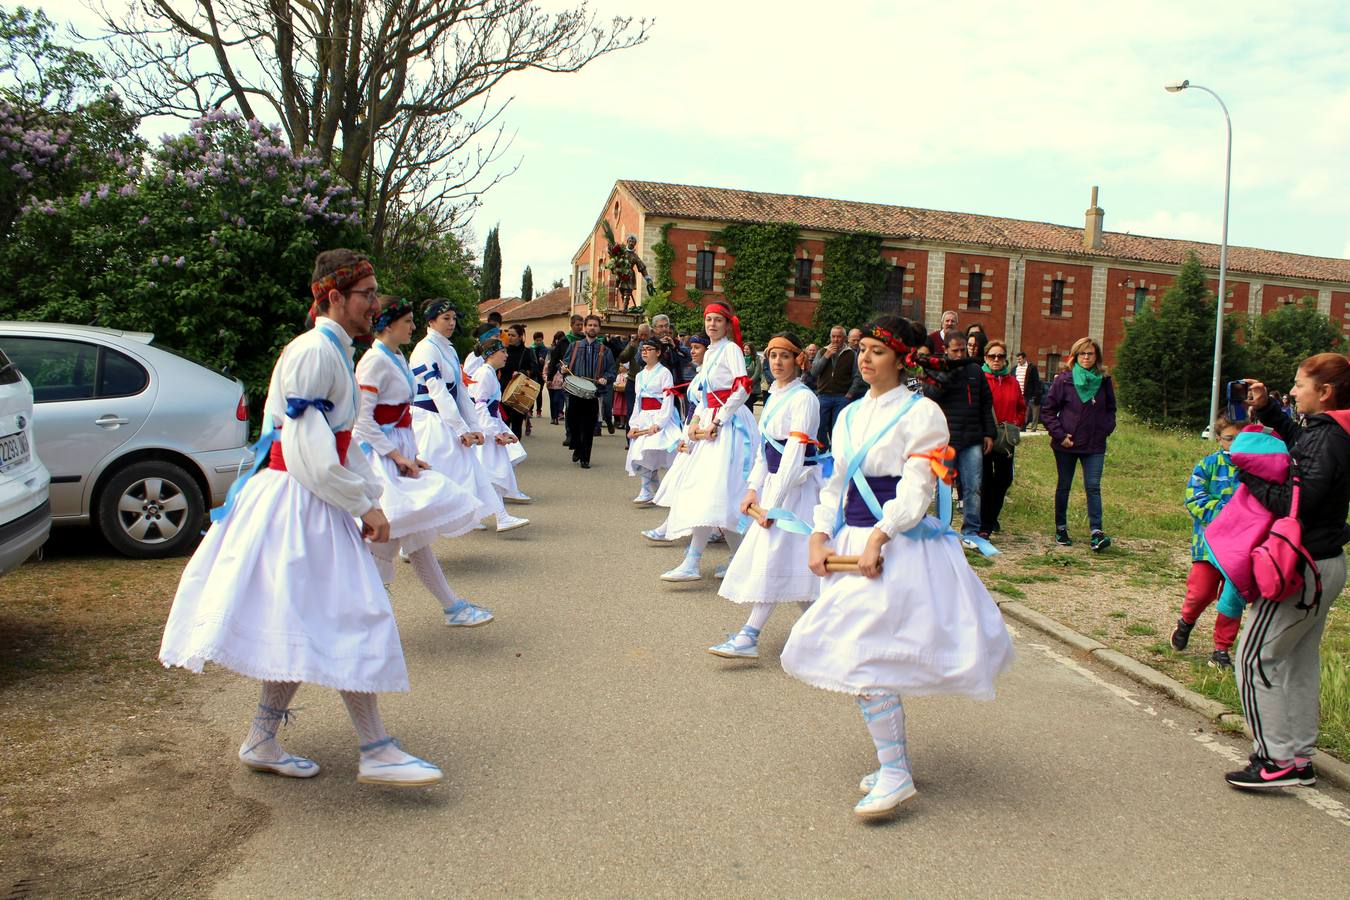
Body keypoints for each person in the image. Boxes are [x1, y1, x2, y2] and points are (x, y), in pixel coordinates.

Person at [159, 249, 443, 787]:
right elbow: (310, 451)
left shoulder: (332, 351)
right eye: (366, 295)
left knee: (309, 620)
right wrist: (363, 503)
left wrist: (370, 490)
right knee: (352, 612)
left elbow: (341, 443)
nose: (375, 305)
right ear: (334, 298)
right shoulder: (315, 352)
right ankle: (375, 747)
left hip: (307, 498)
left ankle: (265, 739)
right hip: (299, 501)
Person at [781, 314, 1014, 819]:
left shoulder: (923, 413)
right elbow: (834, 483)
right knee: (863, 653)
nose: (864, 357)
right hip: (851, 537)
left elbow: (917, 488)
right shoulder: (845, 415)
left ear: (903, 359)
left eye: (876, 351)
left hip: (896, 546)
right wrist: (819, 535)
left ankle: (894, 772)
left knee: (866, 655)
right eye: (861, 348)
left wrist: (881, 537)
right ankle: (893, 763)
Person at [1214, 356, 1350, 790]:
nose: (1291, 392)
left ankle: (1274, 760)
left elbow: (1297, 500)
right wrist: (1269, 410)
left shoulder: (1328, 438)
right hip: (1325, 561)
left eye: (1297, 385)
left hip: (1298, 565)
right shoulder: (1335, 432)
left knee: (1253, 657)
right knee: (1297, 663)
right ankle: (1297, 756)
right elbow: (1306, 453)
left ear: (1324, 392)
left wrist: (1246, 472)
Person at [354, 295, 492, 625]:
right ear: (388, 325)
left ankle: (445, 606)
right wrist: (398, 455)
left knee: (411, 534)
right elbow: (363, 419)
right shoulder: (374, 362)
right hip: (380, 460)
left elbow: (405, 416)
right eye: (407, 321)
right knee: (392, 533)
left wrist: (413, 454)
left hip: (399, 457)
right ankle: (369, 609)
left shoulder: (398, 357)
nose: (414, 326)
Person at [708, 331, 821, 660]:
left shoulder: (804, 399)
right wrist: (754, 489)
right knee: (790, 566)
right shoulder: (773, 395)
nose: (777, 362)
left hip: (797, 493)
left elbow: (794, 455)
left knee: (778, 562)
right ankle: (821, 632)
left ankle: (750, 635)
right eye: (772, 356)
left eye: (784, 356)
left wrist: (775, 505)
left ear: (797, 360)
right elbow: (764, 451)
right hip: (773, 488)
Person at [656, 301, 761, 581]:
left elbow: (742, 388)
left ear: (727, 324)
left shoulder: (731, 349)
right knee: (706, 491)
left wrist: (717, 421)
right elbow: (704, 395)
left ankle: (707, 560)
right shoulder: (712, 351)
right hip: (710, 422)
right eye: (708, 320)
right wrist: (693, 424)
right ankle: (701, 560)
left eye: (717, 320)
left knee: (721, 492)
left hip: (731, 427)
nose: (712, 324)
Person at [409, 298, 529, 533]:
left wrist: (475, 427)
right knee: (430, 480)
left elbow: (461, 393)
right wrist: (463, 429)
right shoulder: (425, 349)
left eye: (454, 318)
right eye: (446, 318)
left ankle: (498, 517)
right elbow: (439, 393)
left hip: (444, 421)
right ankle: (410, 535)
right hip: (429, 422)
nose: (452, 323)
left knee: (471, 472)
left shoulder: (449, 350)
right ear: (431, 321)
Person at [1171, 416, 1241, 667]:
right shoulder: (1208, 465)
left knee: (1233, 597)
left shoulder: (1256, 469)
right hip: (1209, 546)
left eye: (1240, 438)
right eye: (1229, 438)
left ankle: (1222, 649)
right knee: (1201, 592)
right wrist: (1229, 514)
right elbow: (1194, 499)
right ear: (1220, 439)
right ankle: (1186, 622)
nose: (1234, 443)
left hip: (1241, 548)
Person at [1040, 337, 1116, 551]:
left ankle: (1096, 532)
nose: (1086, 358)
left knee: (1093, 486)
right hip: (1067, 444)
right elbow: (1047, 411)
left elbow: (1111, 409)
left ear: (1096, 357)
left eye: (1090, 354)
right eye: (1082, 353)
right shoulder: (1064, 380)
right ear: (1074, 356)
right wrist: (1060, 435)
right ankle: (1061, 528)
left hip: (1094, 445)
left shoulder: (1104, 381)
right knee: (1064, 485)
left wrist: (1105, 430)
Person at [926, 334, 994, 547]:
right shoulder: (936, 368)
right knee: (943, 486)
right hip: (945, 439)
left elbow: (985, 403)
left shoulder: (975, 371)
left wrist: (989, 433)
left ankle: (971, 531)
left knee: (973, 485)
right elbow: (929, 396)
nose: (960, 354)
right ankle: (942, 528)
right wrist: (947, 374)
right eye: (955, 350)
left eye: (963, 350)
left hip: (972, 437)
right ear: (945, 349)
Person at [645, 334, 709, 543]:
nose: (692, 351)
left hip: (701, 436)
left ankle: (713, 530)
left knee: (693, 484)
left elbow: (706, 409)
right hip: (691, 431)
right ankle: (669, 526)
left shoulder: (709, 376)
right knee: (684, 482)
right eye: (692, 347)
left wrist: (691, 435)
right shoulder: (700, 374)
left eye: (697, 347)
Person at [470, 337, 530, 504]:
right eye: (502, 351)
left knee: (494, 471)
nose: (506, 355)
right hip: (486, 429)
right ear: (491, 354)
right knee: (491, 472)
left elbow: (491, 408)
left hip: (490, 427)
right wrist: (496, 433)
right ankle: (495, 515)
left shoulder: (489, 373)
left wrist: (502, 431)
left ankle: (497, 515)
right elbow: (480, 405)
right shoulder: (484, 374)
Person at [979, 339, 1026, 542]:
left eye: (1000, 356)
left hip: (1005, 439)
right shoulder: (980, 379)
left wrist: (1015, 423)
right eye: (992, 356)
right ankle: (985, 525)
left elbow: (1021, 407)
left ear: (1005, 359)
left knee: (1004, 479)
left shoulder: (1012, 382)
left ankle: (990, 518)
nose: (996, 360)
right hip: (985, 437)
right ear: (985, 358)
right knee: (986, 481)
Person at [626, 339, 680, 504]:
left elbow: (668, 399)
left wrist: (660, 423)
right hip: (644, 418)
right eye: (643, 349)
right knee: (640, 452)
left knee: (667, 452)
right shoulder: (640, 375)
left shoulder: (665, 373)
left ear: (658, 352)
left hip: (660, 417)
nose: (645, 352)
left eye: (649, 349)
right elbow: (638, 401)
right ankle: (648, 488)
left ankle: (671, 490)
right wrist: (634, 424)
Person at [560, 314, 616, 468]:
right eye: (590, 325)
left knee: (589, 425)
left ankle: (585, 458)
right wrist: (563, 368)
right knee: (573, 422)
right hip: (575, 392)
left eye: (595, 325)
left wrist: (606, 378)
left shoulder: (605, 350)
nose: (592, 328)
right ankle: (577, 446)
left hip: (593, 393)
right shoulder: (574, 346)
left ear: (599, 329)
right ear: (585, 327)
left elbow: (611, 371)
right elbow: (564, 364)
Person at [811, 325, 867, 450]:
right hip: (824, 395)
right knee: (819, 426)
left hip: (842, 397)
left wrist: (850, 394)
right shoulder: (821, 352)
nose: (836, 339)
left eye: (839, 337)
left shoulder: (851, 354)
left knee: (837, 428)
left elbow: (857, 376)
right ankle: (823, 448)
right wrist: (826, 356)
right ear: (830, 337)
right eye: (833, 336)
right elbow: (814, 372)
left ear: (845, 338)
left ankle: (835, 451)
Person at [499, 323, 537, 439]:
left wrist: (522, 372)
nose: (509, 337)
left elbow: (535, 370)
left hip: (519, 391)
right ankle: (505, 454)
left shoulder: (528, 352)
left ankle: (516, 451)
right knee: (503, 424)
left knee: (516, 424)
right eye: (508, 334)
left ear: (520, 337)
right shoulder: (503, 350)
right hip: (503, 389)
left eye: (513, 335)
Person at [1015, 351, 1042, 432]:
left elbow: (1036, 381)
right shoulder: (1015, 368)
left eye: (1019, 359)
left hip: (1027, 394)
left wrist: (1035, 394)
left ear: (1024, 358)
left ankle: (1031, 428)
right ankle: (1021, 427)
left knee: (1029, 412)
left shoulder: (1031, 368)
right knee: (1020, 411)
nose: (1018, 361)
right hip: (1018, 394)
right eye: (1017, 359)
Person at [545, 330, 568, 425]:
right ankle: (553, 417)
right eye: (558, 339)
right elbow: (548, 365)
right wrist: (547, 378)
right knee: (552, 400)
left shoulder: (566, 350)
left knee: (557, 399)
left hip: (560, 381)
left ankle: (559, 414)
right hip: (552, 379)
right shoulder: (551, 350)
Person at [530, 331, 549, 420]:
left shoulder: (545, 349)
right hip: (533, 373)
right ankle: (530, 410)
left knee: (539, 392)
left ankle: (539, 410)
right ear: (534, 340)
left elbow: (547, 361)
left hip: (541, 373)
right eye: (537, 340)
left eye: (540, 340)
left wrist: (543, 360)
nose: (538, 342)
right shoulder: (531, 349)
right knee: (531, 392)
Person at [744, 341, 763, 412]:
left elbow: (757, 372)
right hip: (743, 387)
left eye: (747, 349)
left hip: (752, 388)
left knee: (749, 406)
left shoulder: (756, 359)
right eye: (744, 349)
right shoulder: (742, 358)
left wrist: (749, 382)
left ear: (751, 350)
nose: (745, 351)